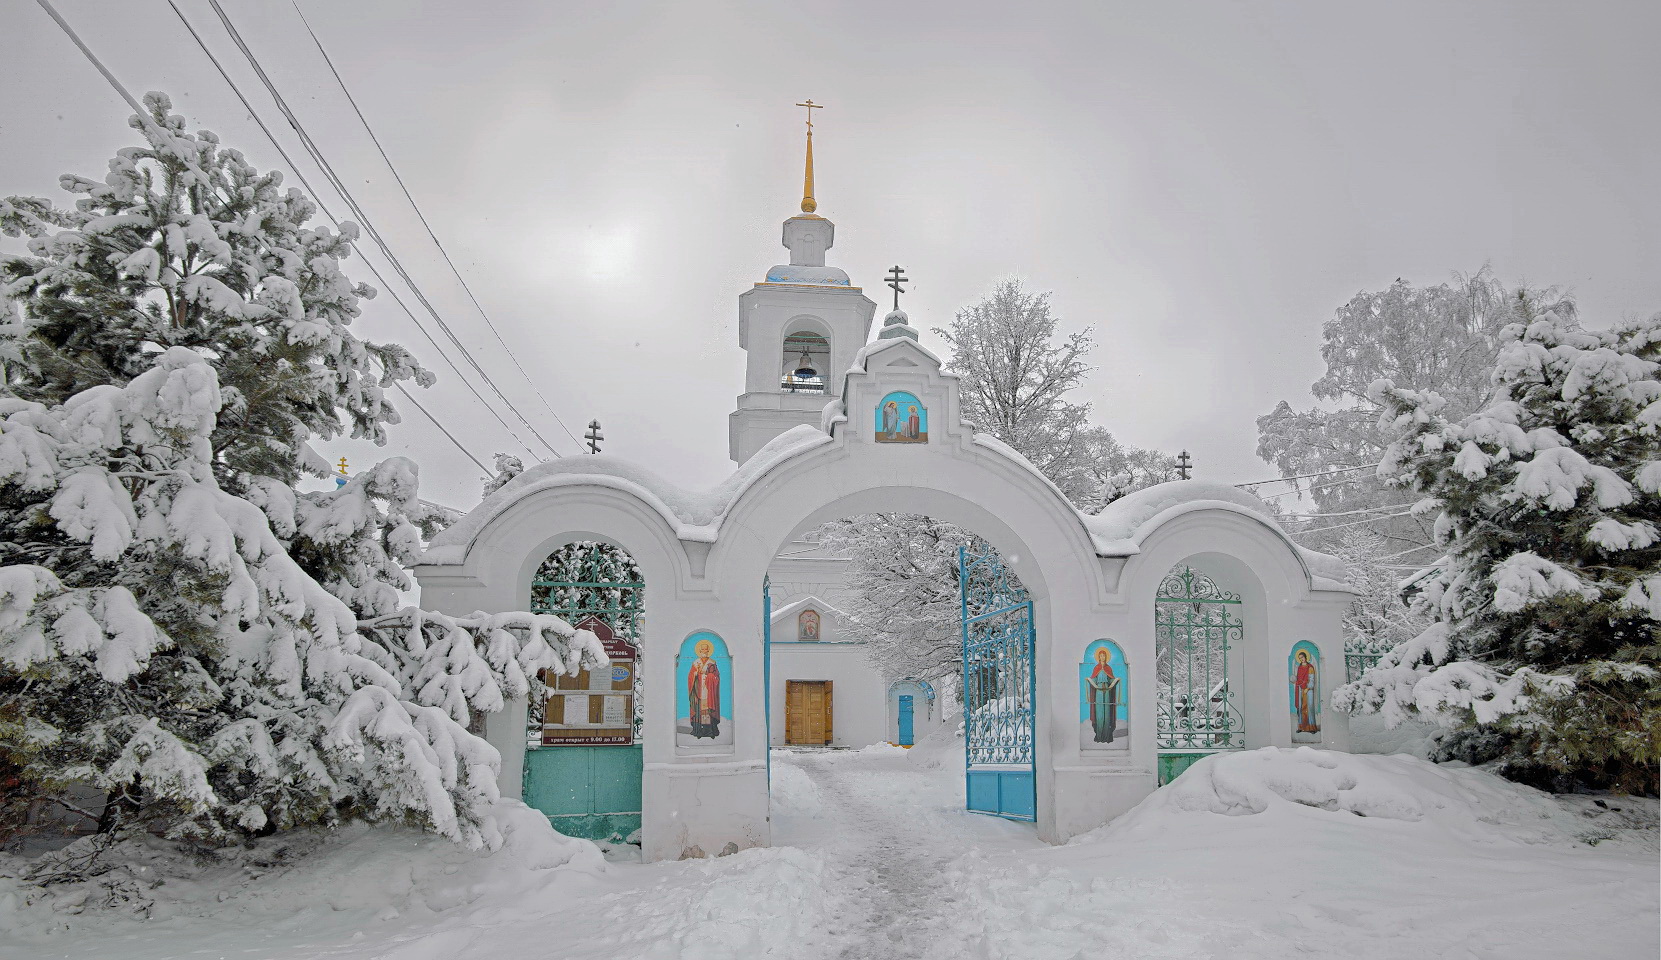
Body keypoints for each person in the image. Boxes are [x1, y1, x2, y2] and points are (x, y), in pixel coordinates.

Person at [687, 639, 722, 739]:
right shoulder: (695, 662)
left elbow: (717, 677)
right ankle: (698, 730)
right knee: (699, 709)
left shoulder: (712, 662)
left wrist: (711, 677)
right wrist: (695, 673)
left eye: (706, 650)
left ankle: (710, 730)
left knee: (708, 709)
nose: (704, 652)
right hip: (698, 690)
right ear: (700, 651)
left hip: (709, 691)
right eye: (702, 650)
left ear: (708, 651)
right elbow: (690, 677)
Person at [1086, 647, 1120, 743]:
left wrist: (1115, 680)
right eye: (1100, 656)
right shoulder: (1096, 668)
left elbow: (1110, 680)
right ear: (1098, 657)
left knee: (1107, 713)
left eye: (1104, 655)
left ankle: (1107, 736)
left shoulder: (1108, 668)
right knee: (1100, 713)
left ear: (1106, 657)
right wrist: (1089, 679)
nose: (1102, 657)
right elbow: (1094, 680)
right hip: (1099, 692)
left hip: (1107, 691)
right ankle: (1099, 735)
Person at [1292, 648, 1318, 733]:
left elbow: (1312, 680)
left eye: (1302, 657)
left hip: (1308, 689)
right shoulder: (1299, 667)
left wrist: (1308, 688)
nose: (1301, 659)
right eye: (1299, 658)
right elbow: (1298, 678)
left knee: (1309, 707)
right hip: (1300, 689)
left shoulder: (1310, 667)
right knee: (1301, 708)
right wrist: (1294, 680)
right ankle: (1301, 727)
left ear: (1305, 657)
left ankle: (1311, 727)